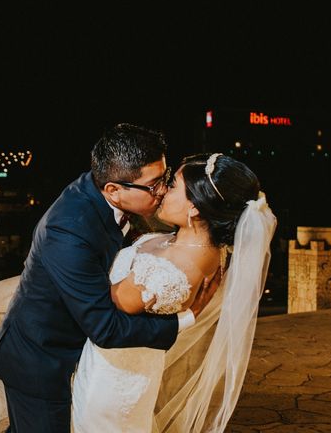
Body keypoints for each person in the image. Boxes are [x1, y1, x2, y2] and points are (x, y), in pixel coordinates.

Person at [0, 124, 221, 433]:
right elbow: (105, 327)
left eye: (165, 179)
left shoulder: (110, 192)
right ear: (113, 189)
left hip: (83, 354)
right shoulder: (69, 230)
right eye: (153, 186)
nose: (162, 191)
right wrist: (187, 318)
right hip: (40, 357)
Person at [71, 153, 277, 432]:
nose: (164, 191)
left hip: (111, 382)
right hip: (125, 372)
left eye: (174, 185)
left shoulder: (170, 271)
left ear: (194, 207)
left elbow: (99, 305)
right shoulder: (198, 247)